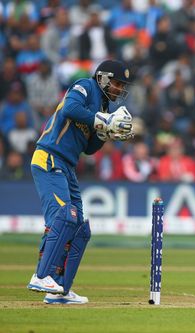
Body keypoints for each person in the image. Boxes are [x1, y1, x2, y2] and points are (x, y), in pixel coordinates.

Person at [26, 59, 135, 304]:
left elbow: (89, 149)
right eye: (117, 83)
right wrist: (102, 121)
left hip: (67, 166)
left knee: (78, 227)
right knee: (64, 217)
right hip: (49, 158)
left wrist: (108, 133)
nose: (119, 89)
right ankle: (41, 275)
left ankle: (60, 289)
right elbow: (70, 110)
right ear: (104, 78)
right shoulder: (85, 85)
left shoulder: (104, 107)